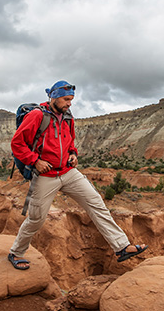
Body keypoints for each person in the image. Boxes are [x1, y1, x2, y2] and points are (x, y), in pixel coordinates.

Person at [8, 80, 148, 270]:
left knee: (96, 204)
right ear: (54, 97)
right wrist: (35, 161)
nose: (69, 104)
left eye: (71, 100)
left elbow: (70, 142)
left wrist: (73, 154)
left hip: (68, 172)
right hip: (46, 175)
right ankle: (16, 253)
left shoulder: (67, 117)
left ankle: (122, 247)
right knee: (36, 219)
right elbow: (17, 144)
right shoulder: (36, 116)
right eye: (66, 99)